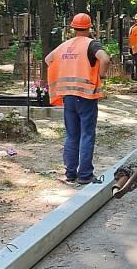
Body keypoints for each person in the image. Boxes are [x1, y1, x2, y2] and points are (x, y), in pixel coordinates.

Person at [45, 13, 111, 184]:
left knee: (72, 135)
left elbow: (48, 59)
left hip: (68, 95)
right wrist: (101, 76)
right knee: (87, 134)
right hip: (86, 95)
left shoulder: (65, 46)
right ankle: (85, 175)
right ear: (90, 28)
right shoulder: (91, 44)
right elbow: (105, 59)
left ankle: (70, 173)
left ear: (72, 27)